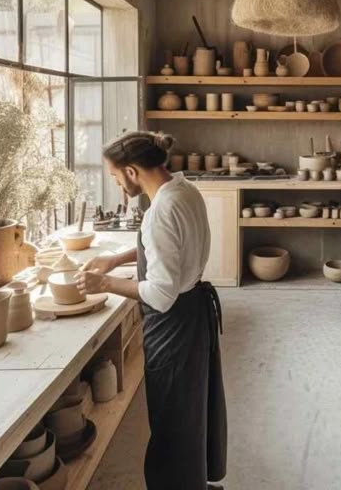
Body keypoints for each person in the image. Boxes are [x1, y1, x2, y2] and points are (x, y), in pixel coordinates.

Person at [76, 131, 227, 490]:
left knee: (172, 418)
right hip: (193, 312)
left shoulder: (160, 210)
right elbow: (168, 246)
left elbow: (159, 294)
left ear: (131, 171)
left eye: (115, 177)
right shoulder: (182, 190)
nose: (117, 185)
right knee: (191, 412)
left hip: (173, 322)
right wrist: (114, 259)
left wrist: (104, 285)